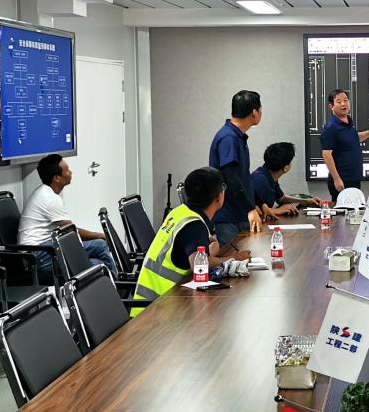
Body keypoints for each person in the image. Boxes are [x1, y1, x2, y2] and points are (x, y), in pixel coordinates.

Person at [131, 167, 251, 316]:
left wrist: (210, 249)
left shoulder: (180, 212)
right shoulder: (194, 225)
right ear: (218, 197)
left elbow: (202, 246)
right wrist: (234, 258)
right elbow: (199, 266)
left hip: (154, 304)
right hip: (158, 311)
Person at [17, 154, 117, 280]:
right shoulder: (50, 199)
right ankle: (117, 285)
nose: (71, 172)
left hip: (42, 251)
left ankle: (112, 283)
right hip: (39, 254)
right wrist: (99, 235)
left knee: (98, 263)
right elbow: (71, 232)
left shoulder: (46, 193)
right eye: (67, 170)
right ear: (57, 178)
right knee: (100, 245)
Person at [209, 90, 263, 245]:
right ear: (254, 113)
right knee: (235, 257)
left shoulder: (236, 136)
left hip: (239, 213)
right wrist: (250, 208)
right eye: (260, 110)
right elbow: (231, 176)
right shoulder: (229, 138)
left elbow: (243, 176)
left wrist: (259, 204)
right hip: (230, 216)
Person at [320, 89, 369, 202]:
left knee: (354, 210)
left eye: (346, 100)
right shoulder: (331, 127)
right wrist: (336, 179)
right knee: (343, 211)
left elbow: (353, 138)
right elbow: (326, 154)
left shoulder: (347, 122)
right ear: (331, 106)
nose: (343, 104)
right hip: (343, 179)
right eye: (339, 102)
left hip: (353, 177)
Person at [252, 142, 321, 220]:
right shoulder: (259, 180)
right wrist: (278, 210)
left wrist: (307, 201)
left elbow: (281, 199)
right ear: (285, 168)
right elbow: (251, 210)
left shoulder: (269, 175)